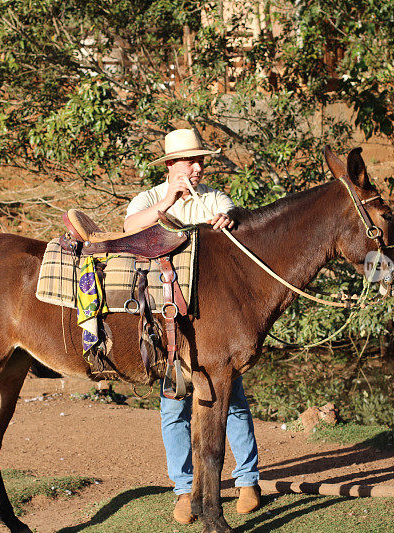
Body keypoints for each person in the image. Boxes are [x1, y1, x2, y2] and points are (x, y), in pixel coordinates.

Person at [124, 129, 261, 525]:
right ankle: (185, 489)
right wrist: (168, 200)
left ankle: (248, 480)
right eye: (190, 162)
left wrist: (230, 219)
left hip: (213, 321)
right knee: (174, 407)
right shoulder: (150, 198)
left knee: (231, 400)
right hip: (169, 323)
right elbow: (130, 227)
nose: (199, 169)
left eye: (201, 162)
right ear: (171, 166)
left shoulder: (215, 198)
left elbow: (239, 220)